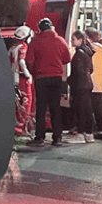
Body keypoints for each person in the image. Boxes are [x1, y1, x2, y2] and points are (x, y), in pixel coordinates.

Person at [26, 17, 72, 147]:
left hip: (41, 78)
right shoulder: (60, 41)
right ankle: (57, 137)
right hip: (56, 78)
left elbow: (29, 60)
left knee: (41, 107)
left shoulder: (35, 42)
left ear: (40, 29)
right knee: (55, 108)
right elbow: (67, 58)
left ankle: (39, 137)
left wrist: (34, 72)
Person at [68, 31, 95, 142]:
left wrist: (70, 80)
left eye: (73, 39)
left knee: (80, 109)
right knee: (87, 109)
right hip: (87, 84)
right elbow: (91, 69)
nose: (72, 41)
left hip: (80, 85)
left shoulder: (80, 54)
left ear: (80, 40)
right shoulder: (88, 52)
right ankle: (88, 133)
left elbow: (78, 71)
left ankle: (81, 133)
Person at [10, 26, 35, 139]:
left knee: (17, 104)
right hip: (22, 79)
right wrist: (28, 75)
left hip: (12, 79)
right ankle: (22, 128)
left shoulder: (12, 48)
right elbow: (21, 62)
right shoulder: (23, 47)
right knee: (26, 103)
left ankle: (17, 127)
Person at [85, 29, 102, 140]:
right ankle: (100, 129)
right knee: (99, 108)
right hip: (101, 82)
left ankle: (90, 130)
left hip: (91, 82)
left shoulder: (91, 49)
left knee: (89, 108)